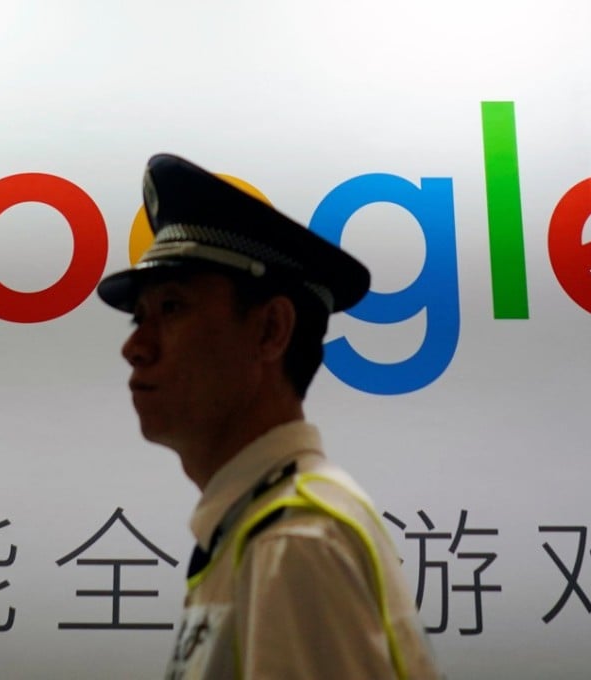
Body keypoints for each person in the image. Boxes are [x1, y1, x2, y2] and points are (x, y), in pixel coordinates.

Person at [97, 154, 440, 679]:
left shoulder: (295, 543)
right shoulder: (261, 530)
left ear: (270, 331)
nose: (136, 348)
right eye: (139, 317)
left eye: (171, 308)